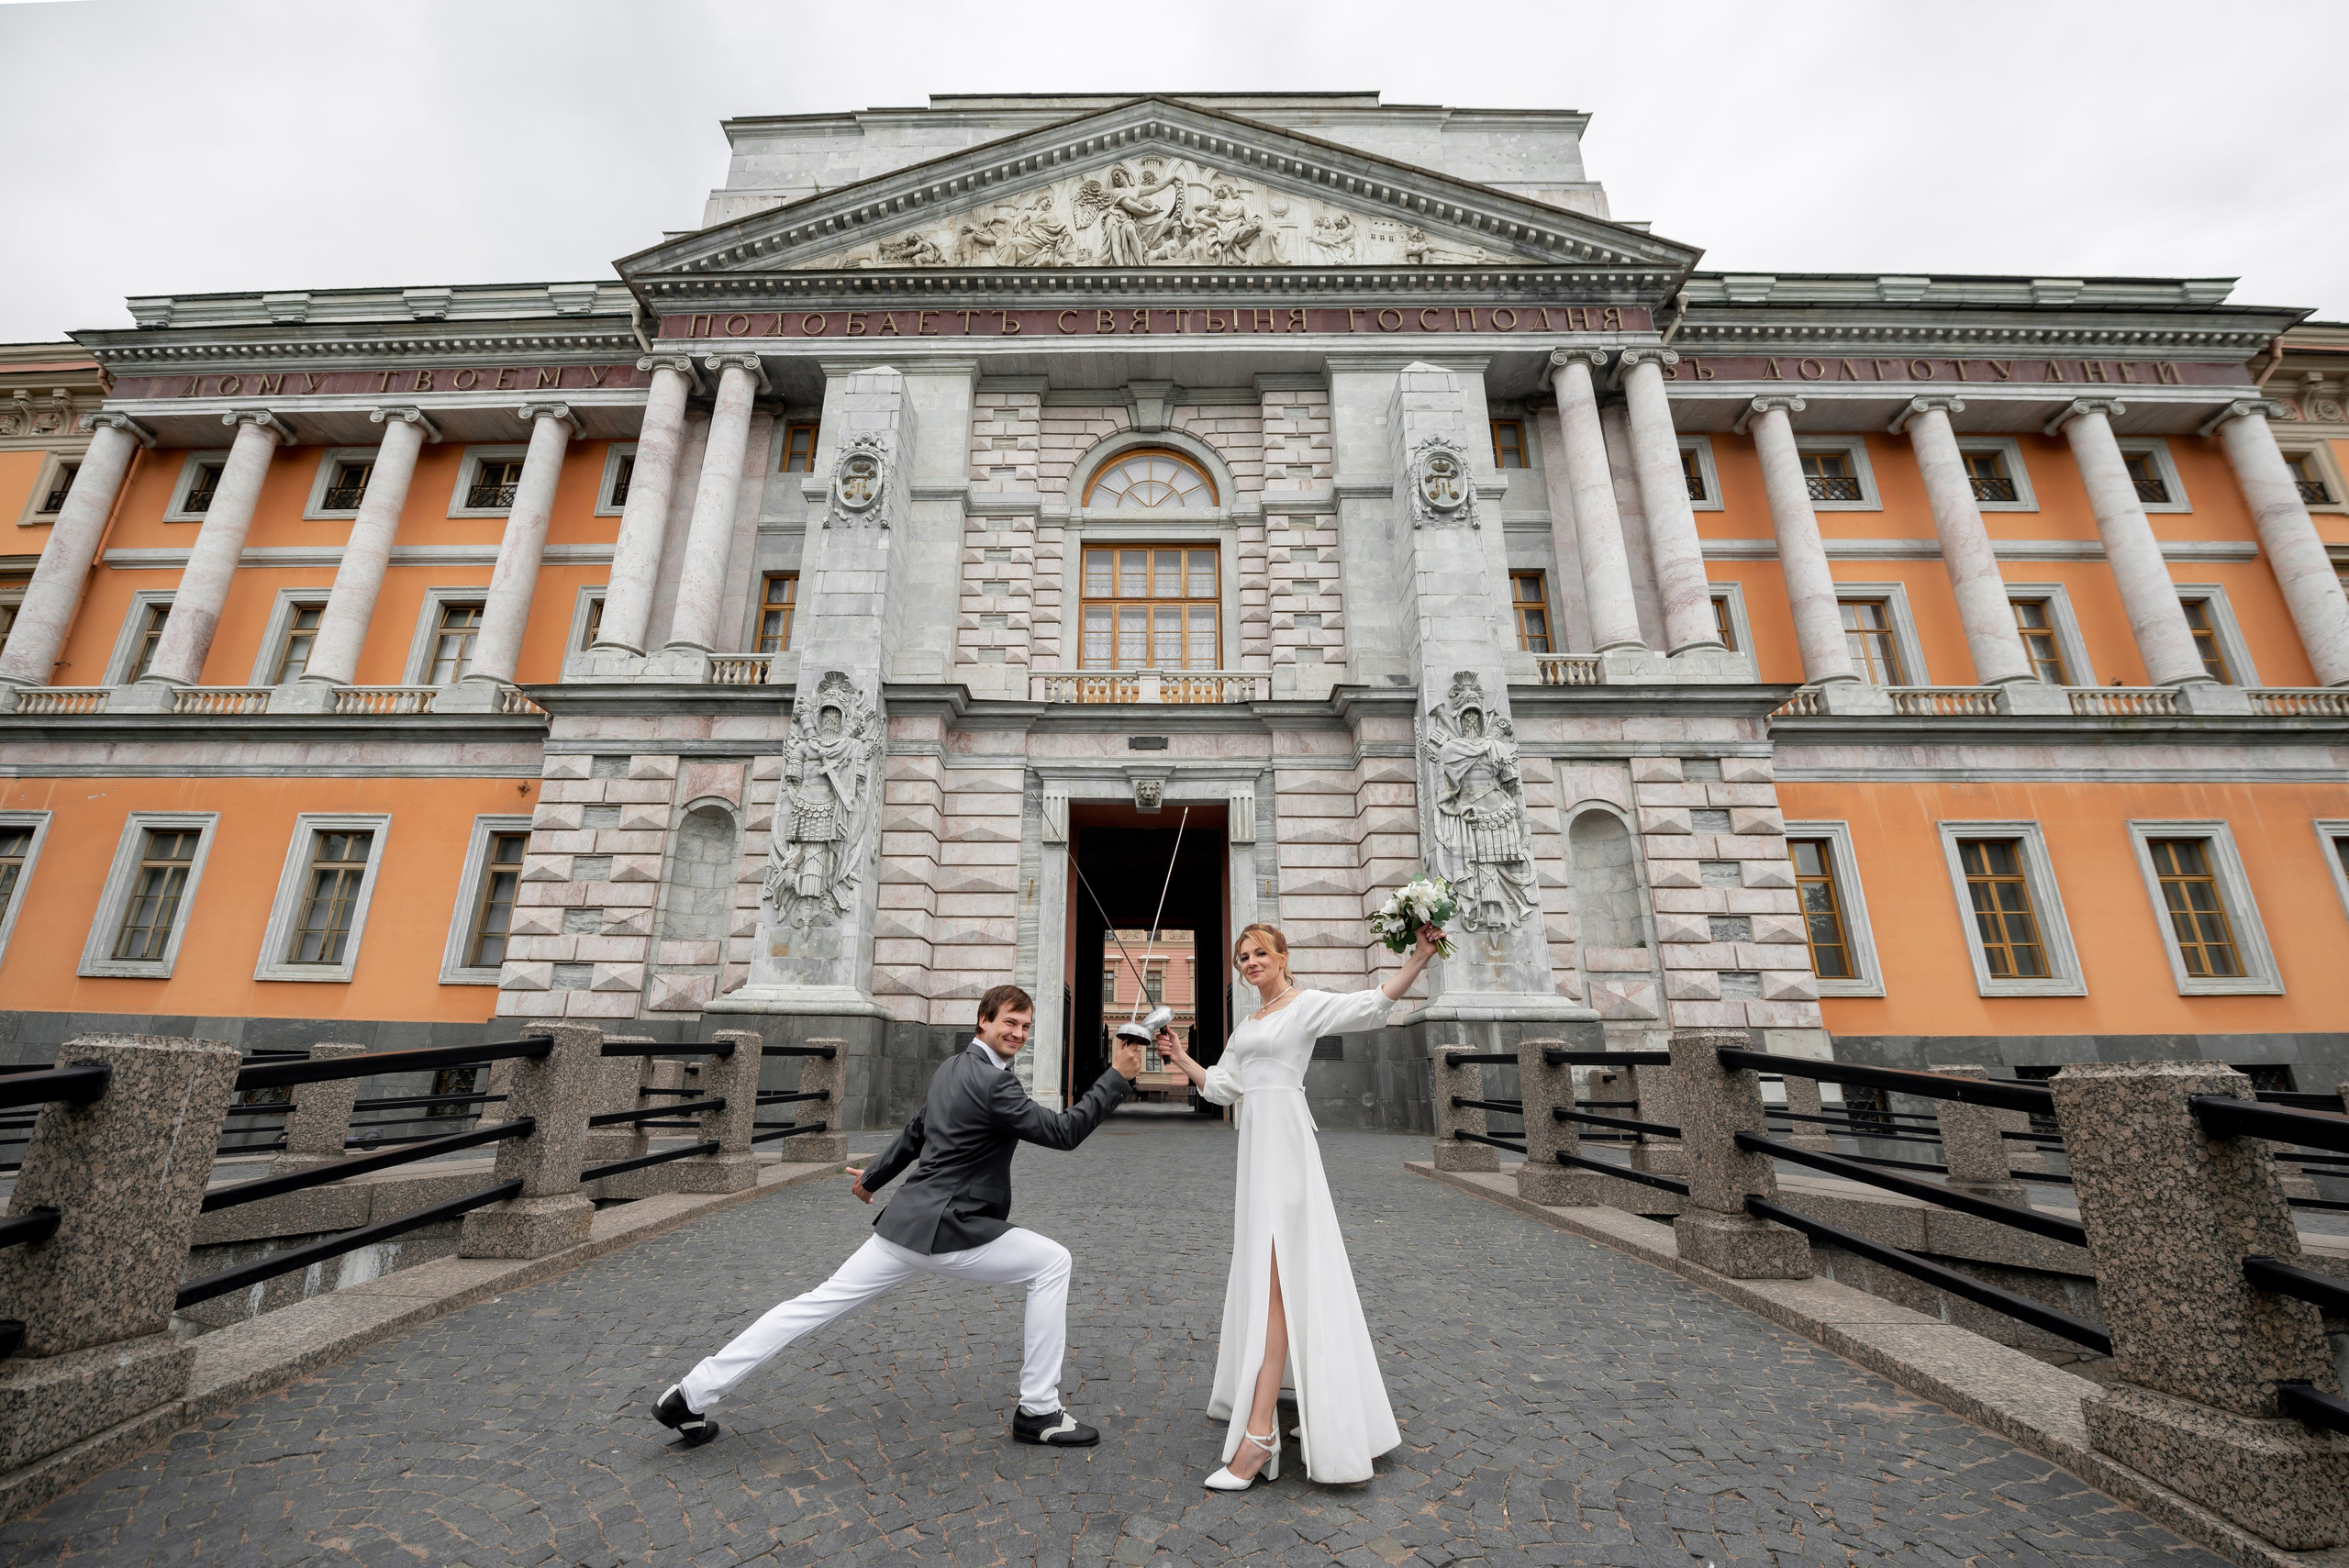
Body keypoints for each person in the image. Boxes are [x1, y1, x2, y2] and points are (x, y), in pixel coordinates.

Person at [651, 984, 1141, 1450]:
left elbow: (917, 1127)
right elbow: (1062, 1132)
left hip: (905, 1223)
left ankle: (687, 1396)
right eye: (1009, 1023)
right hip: (951, 1227)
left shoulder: (951, 1067)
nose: (1018, 1032)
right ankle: (1038, 1411)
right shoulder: (994, 1083)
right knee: (1053, 1262)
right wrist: (1115, 1076)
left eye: (1026, 1026)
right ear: (983, 1022)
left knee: (810, 1305)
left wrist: (873, 1178)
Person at [1157, 919, 1442, 1488]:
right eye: (1242, 957)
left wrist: (1418, 960)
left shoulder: (1305, 1005)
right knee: (1267, 1276)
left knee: (1281, 1279)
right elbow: (1224, 1086)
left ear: (1282, 956)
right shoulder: (1247, 1023)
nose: (1249, 963)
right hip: (1254, 1149)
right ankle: (1291, 1405)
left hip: (1287, 1145)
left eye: (1259, 953)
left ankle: (1260, 1433)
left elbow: (1370, 1005)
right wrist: (1183, 1057)